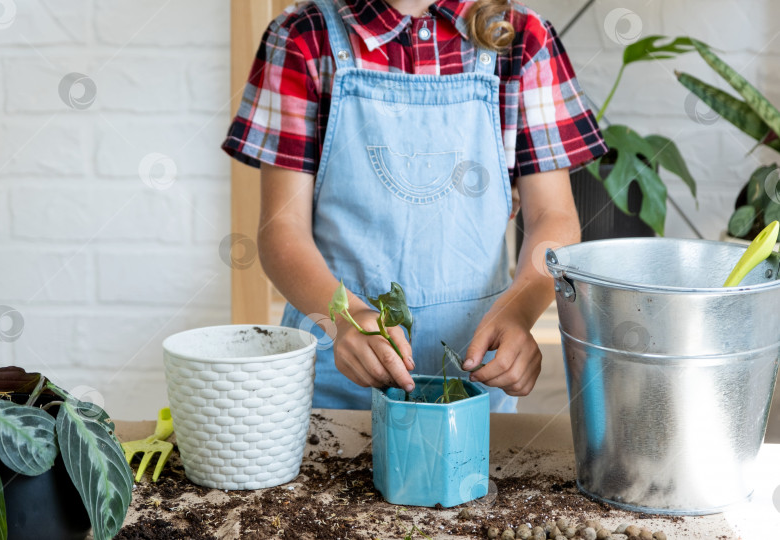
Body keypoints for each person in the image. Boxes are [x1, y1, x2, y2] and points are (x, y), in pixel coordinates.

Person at [222, 0, 606, 412]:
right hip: (339, 362)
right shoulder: (302, 38)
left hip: (474, 369)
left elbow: (555, 217)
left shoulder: (524, 40)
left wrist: (520, 312)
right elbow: (282, 231)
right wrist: (344, 317)